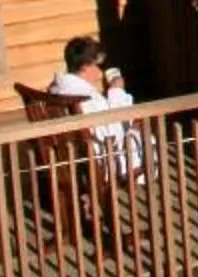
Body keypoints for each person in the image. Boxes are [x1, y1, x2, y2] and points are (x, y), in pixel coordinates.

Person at [47, 35, 144, 176]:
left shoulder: (59, 88)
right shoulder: (84, 96)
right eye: (99, 65)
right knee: (142, 133)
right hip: (99, 159)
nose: (101, 71)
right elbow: (112, 134)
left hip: (72, 155)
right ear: (85, 66)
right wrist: (116, 91)